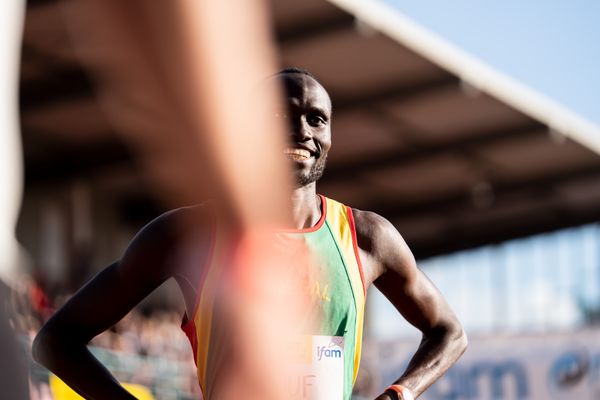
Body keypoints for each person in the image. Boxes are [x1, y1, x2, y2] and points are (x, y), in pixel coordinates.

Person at [33, 68, 467, 400]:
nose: (302, 131)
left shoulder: (367, 238)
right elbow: (56, 341)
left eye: (317, 119)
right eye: (282, 115)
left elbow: (450, 332)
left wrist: (401, 393)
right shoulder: (189, 235)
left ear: (330, 134)